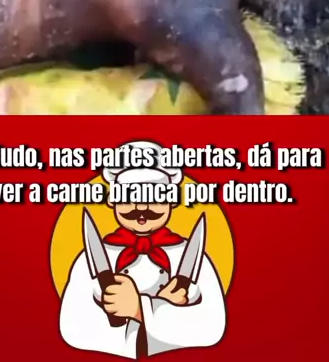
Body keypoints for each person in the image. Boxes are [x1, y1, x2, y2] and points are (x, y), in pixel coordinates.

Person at [59, 140, 226, 358]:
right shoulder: (89, 259)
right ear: (112, 201)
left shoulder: (194, 258)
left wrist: (140, 309)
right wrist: (153, 312)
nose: (141, 207)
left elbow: (213, 328)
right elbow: (71, 329)